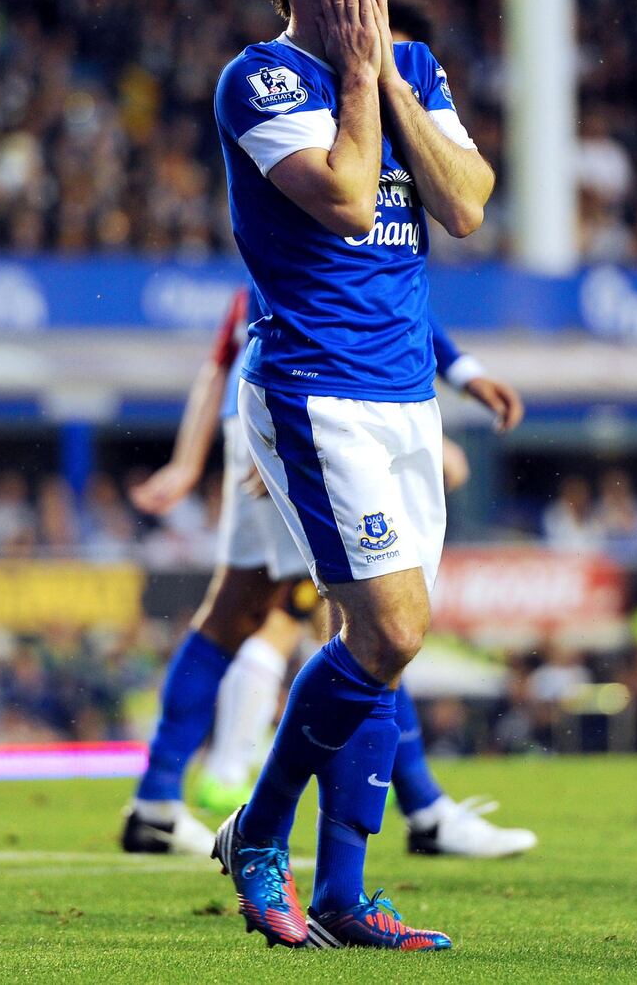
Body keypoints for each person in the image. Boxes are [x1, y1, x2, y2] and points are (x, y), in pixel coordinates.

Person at [210, 0, 496, 950]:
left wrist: (384, 70)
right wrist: (359, 82)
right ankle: (260, 832)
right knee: (388, 629)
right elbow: (338, 200)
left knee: (376, 646)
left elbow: (463, 203)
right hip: (312, 390)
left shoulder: (415, 64)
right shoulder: (260, 81)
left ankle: (341, 891)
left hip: (402, 398)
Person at [122, 283, 536, 863]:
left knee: (240, 610)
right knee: (372, 619)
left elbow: (224, 359)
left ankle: (157, 802)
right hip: (307, 410)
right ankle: (421, 809)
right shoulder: (326, 213)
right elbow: (373, 297)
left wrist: (197, 460)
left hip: (275, 409)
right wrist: (279, 438)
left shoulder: (282, 249)